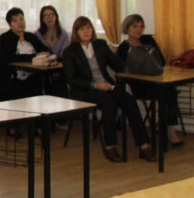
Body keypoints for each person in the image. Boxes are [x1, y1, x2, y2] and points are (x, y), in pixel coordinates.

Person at [63, 16, 153, 163]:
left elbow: (117, 64)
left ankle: (144, 145)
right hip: (85, 91)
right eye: (82, 29)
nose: (86, 32)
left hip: (107, 86)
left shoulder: (100, 45)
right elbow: (71, 79)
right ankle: (110, 146)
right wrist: (95, 85)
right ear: (76, 32)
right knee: (108, 101)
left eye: (88, 28)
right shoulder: (70, 51)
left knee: (129, 100)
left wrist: (135, 64)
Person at [116, 13, 183, 146]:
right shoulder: (123, 48)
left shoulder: (148, 40)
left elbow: (161, 61)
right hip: (140, 85)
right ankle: (166, 129)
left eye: (141, 27)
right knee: (166, 93)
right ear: (127, 28)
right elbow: (123, 71)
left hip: (156, 79)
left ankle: (168, 127)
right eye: (135, 26)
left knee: (170, 91)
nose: (138, 30)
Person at [0, 7, 51, 103]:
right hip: (11, 80)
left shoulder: (31, 36)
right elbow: (9, 58)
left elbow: (46, 51)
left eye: (21, 19)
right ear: (10, 25)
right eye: (15, 21)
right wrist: (34, 57)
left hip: (32, 78)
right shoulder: (4, 38)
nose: (20, 23)